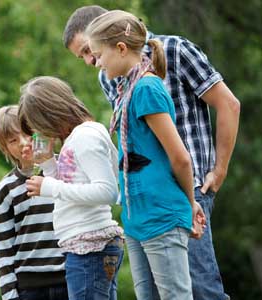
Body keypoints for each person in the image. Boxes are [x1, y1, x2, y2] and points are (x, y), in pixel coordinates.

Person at [64, 5, 240, 300]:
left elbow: (228, 104)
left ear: (110, 34)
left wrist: (219, 170)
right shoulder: (110, 76)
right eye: (83, 55)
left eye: (88, 50)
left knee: (200, 287)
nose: (89, 60)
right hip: (143, 200)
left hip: (186, 188)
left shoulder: (174, 52)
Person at [84, 10, 209, 299]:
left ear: (121, 48)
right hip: (136, 217)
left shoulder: (147, 88)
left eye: (99, 55)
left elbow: (180, 157)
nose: (97, 63)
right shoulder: (126, 89)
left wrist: (190, 203)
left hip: (161, 213)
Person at [18, 76, 124, 300]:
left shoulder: (85, 137)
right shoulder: (77, 138)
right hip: (84, 245)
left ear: (50, 114)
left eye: (39, 125)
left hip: (90, 247)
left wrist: (50, 187)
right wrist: (48, 164)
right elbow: (74, 187)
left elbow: (107, 191)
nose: (41, 133)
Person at [0, 105, 68, 300]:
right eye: (13, 140)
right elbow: (4, 248)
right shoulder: (6, 190)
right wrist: (9, 294)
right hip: (30, 287)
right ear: (5, 147)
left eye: (27, 134)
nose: (24, 143)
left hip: (69, 276)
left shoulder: (63, 170)